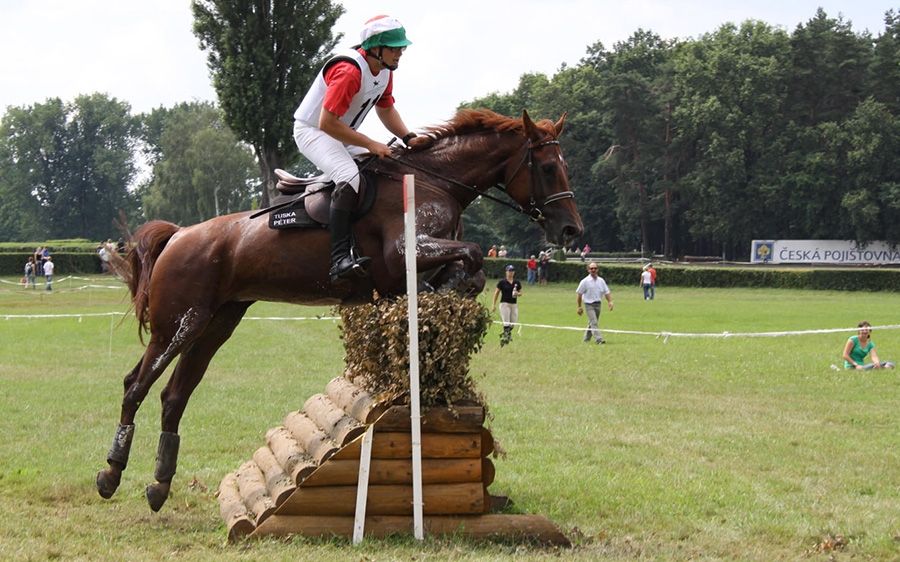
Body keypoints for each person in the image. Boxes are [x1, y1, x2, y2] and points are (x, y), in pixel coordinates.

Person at [293, 14, 416, 282]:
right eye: (395, 48)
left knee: (388, 166)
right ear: (375, 48)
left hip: (341, 132)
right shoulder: (349, 71)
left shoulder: (384, 70)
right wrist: (371, 144)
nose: (400, 53)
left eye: (401, 47)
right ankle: (338, 259)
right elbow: (327, 123)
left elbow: (386, 109)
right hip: (313, 131)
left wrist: (409, 137)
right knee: (349, 178)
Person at [576, 262, 613, 344]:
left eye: (595, 268)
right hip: (588, 305)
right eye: (591, 268)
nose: (593, 270)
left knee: (592, 322)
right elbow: (579, 294)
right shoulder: (584, 281)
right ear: (588, 270)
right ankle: (599, 339)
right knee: (594, 322)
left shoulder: (601, 281)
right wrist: (579, 307)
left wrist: (610, 302)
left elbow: (606, 292)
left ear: (597, 269)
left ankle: (586, 339)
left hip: (598, 304)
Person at [492, 265, 522, 346]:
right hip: (504, 304)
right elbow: (496, 293)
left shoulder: (517, 283)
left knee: (513, 323)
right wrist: (494, 304)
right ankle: (506, 338)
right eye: (509, 271)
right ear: (506, 272)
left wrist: (517, 294)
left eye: (512, 271)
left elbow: (521, 292)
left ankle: (506, 333)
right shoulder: (502, 282)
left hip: (514, 304)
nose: (511, 273)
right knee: (506, 322)